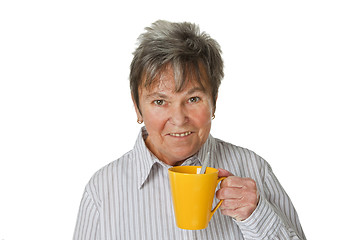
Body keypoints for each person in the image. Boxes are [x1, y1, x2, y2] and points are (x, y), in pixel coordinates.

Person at [73, 20, 306, 240]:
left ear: (213, 101)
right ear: (137, 108)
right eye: (159, 101)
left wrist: (256, 215)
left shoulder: (254, 169)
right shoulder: (102, 189)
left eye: (193, 98)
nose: (179, 118)